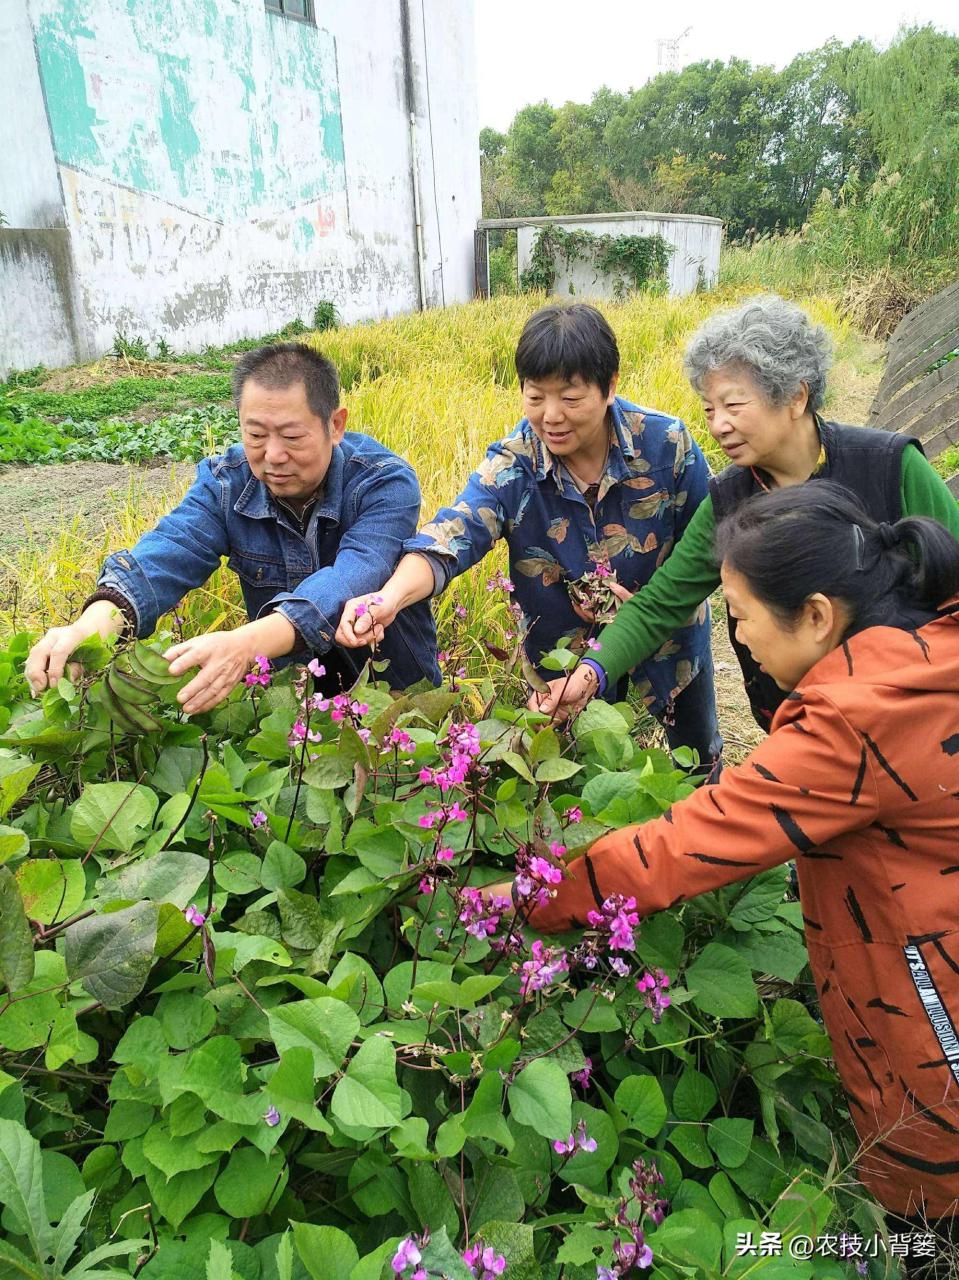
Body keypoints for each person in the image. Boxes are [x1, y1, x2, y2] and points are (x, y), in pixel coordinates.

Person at [495, 483, 959, 1254]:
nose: (736, 639)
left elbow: (687, 844)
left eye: (739, 618)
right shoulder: (925, 652)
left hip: (926, 984)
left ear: (815, 615)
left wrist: (534, 894)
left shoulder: (852, 719)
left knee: (927, 1166)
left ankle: (911, 1251)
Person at [535, 294, 959, 730]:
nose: (718, 425)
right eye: (709, 409)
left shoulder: (890, 466)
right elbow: (661, 603)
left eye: (734, 406)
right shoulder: (729, 500)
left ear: (796, 395)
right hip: (800, 726)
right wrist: (590, 674)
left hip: (914, 720)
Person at [336, 303, 722, 770]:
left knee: (696, 760)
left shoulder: (668, 446)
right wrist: (389, 599)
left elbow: (710, 550)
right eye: (535, 397)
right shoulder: (514, 466)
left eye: (571, 398)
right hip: (561, 667)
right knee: (578, 778)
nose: (551, 416)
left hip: (668, 647)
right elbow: (450, 534)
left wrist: (645, 602)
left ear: (610, 385)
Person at [25, 343, 439, 708]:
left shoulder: (384, 482)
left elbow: (352, 576)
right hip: (289, 702)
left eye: (291, 437)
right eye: (255, 435)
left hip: (395, 695)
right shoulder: (227, 483)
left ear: (335, 425)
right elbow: (168, 553)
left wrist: (245, 645)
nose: (272, 455)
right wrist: (92, 627)